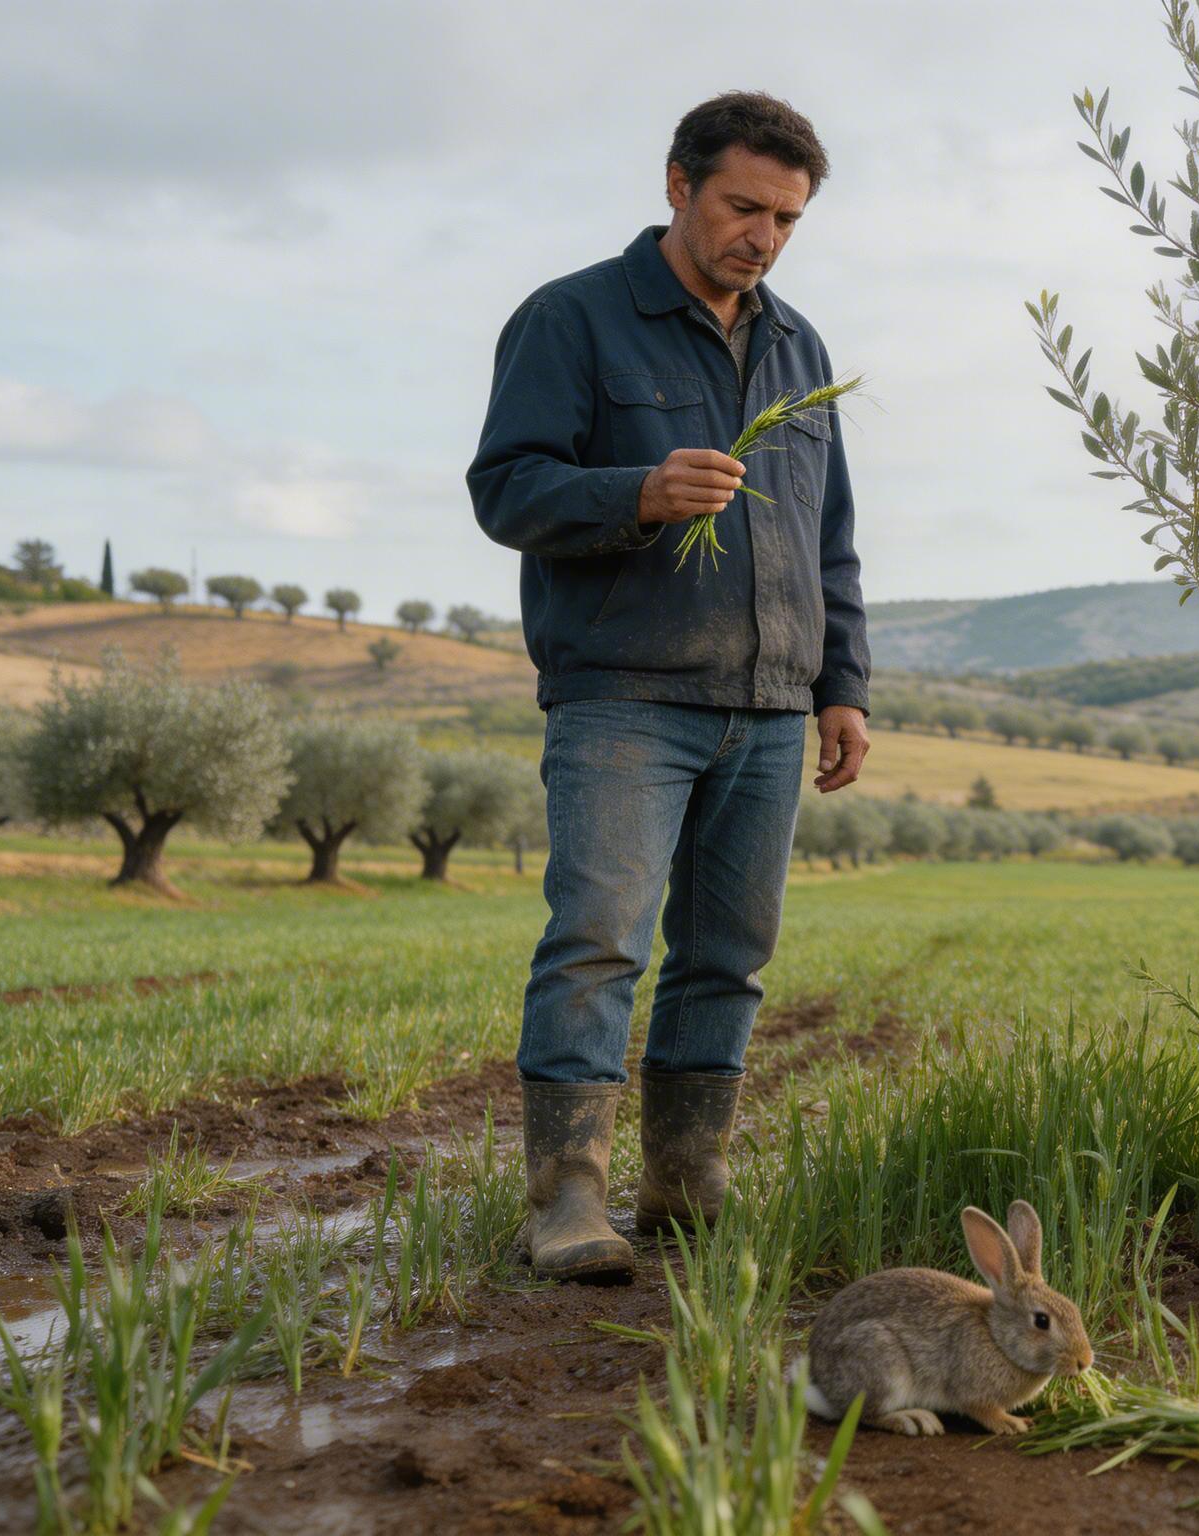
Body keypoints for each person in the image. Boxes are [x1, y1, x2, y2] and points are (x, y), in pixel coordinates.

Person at [467, 92, 872, 1282]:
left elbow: (826, 537)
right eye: (745, 206)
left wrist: (840, 682)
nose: (765, 236)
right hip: (624, 698)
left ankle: (687, 1188)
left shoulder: (797, 346)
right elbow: (507, 490)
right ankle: (567, 1202)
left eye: (788, 218)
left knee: (729, 957)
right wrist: (635, 492)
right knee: (597, 944)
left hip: (768, 707)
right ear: (677, 184)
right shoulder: (573, 319)